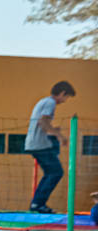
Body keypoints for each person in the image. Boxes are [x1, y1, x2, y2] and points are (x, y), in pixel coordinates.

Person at [25, 81, 76, 213]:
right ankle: (38, 203)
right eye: (66, 97)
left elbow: (43, 124)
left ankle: (37, 203)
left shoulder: (43, 101)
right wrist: (60, 136)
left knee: (50, 173)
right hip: (40, 144)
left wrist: (53, 130)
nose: (65, 101)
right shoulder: (50, 102)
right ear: (62, 93)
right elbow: (43, 122)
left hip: (35, 143)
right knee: (56, 172)